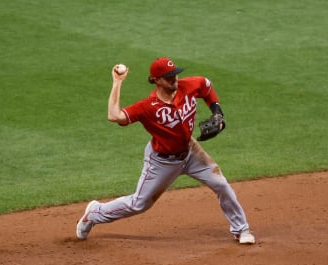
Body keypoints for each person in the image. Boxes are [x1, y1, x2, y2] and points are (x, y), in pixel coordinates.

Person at [76, 57, 255, 244]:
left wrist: (217, 111)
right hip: (162, 161)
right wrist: (117, 82)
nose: (174, 79)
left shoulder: (188, 86)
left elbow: (206, 85)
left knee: (221, 184)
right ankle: (95, 213)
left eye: (175, 74)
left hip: (191, 151)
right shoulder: (148, 107)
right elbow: (114, 115)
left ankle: (241, 229)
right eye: (169, 77)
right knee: (139, 204)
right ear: (156, 80)